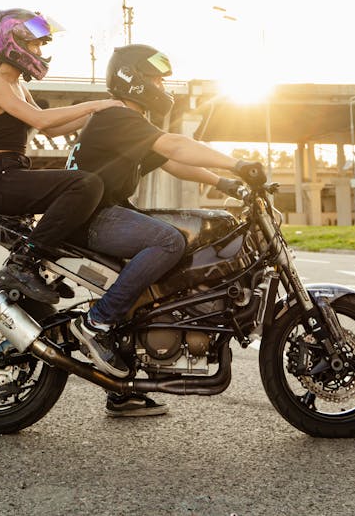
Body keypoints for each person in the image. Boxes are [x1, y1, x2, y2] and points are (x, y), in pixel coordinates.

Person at [66, 43, 258, 414]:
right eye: (155, 77)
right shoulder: (117, 116)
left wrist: (225, 184)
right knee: (169, 240)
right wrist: (238, 164)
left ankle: (121, 385)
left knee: (155, 279)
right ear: (132, 78)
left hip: (104, 214)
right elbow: (177, 145)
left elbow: (172, 161)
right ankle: (96, 323)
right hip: (93, 218)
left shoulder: (127, 123)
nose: (161, 85)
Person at [0, 8, 123, 303]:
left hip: (14, 173)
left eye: (42, 44)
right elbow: (41, 121)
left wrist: (106, 116)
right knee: (85, 184)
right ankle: (24, 262)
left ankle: (48, 264)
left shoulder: (17, 85)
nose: (40, 50)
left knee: (92, 187)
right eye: (35, 43)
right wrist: (96, 105)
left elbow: (54, 130)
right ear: (13, 42)